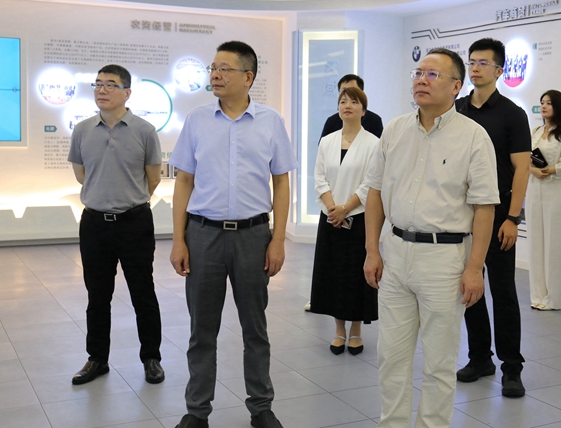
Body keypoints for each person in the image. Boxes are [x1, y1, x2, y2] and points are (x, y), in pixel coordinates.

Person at [363, 48, 498, 428]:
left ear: (456, 86)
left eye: (432, 74)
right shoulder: (395, 130)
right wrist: (372, 250)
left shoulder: (473, 137)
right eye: (418, 73)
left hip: (445, 259)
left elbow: (485, 207)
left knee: (439, 362)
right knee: (391, 357)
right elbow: (374, 192)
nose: (421, 80)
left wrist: (475, 268)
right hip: (395, 253)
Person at [168, 41, 296, 428]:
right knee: (201, 331)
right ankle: (197, 411)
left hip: (253, 236)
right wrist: (178, 239)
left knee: (255, 329)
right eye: (213, 68)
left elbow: (282, 183)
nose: (215, 75)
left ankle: (261, 407)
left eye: (224, 69)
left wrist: (278, 240)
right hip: (203, 235)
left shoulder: (271, 121)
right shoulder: (197, 120)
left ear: (248, 77)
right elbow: (184, 181)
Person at [67, 64, 164, 386]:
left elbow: (153, 178)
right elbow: (81, 174)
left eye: (110, 84)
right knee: (97, 295)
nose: (102, 90)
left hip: (134, 222)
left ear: (127, 93)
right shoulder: (82, 130)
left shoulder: (145, 130)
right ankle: (97, 359)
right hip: (94, 223)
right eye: (98, 84)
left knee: (143, 292)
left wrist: (128, 199)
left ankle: (151, 358)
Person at [454, 38, 530, 398]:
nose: (475, 67)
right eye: (472, 61)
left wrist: (513, 217)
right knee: (470, 288)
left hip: (499, 216)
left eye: (483, 63)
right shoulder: (456, 109)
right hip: (462, 215)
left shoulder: (512, 114)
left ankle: (511, 368)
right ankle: (479, 357)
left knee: (503, 292)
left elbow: (522, 168)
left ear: (499, 70)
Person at [310, 86, 379, 355]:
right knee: (334, 274)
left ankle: (356, 331)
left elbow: (370, 183)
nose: (347, 105)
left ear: (363, 109)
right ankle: (339, 331)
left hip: (359, 218)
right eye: (342, 101)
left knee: (355, 276)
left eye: (353, 101)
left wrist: (346, 208)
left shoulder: (373, 143)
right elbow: (319, 178)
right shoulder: (327, 141)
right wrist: (332, 209)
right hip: (330, 219)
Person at [526, 90, 561, 311]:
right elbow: (525, 158)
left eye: (549, 103)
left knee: (554, 243)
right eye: (542, 102)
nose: (544, 106)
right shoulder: (536, 131)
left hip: (554, 190)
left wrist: (549, 170)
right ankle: (537, 295)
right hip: (534, 189)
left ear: (559, 106)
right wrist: (533, 170)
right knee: (535, 242)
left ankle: (553, 298)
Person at [319, 74, 384, 140]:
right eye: (344, 91)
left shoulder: (374, 121)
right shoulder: (331, 122)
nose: (348, 93)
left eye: (353, 90)